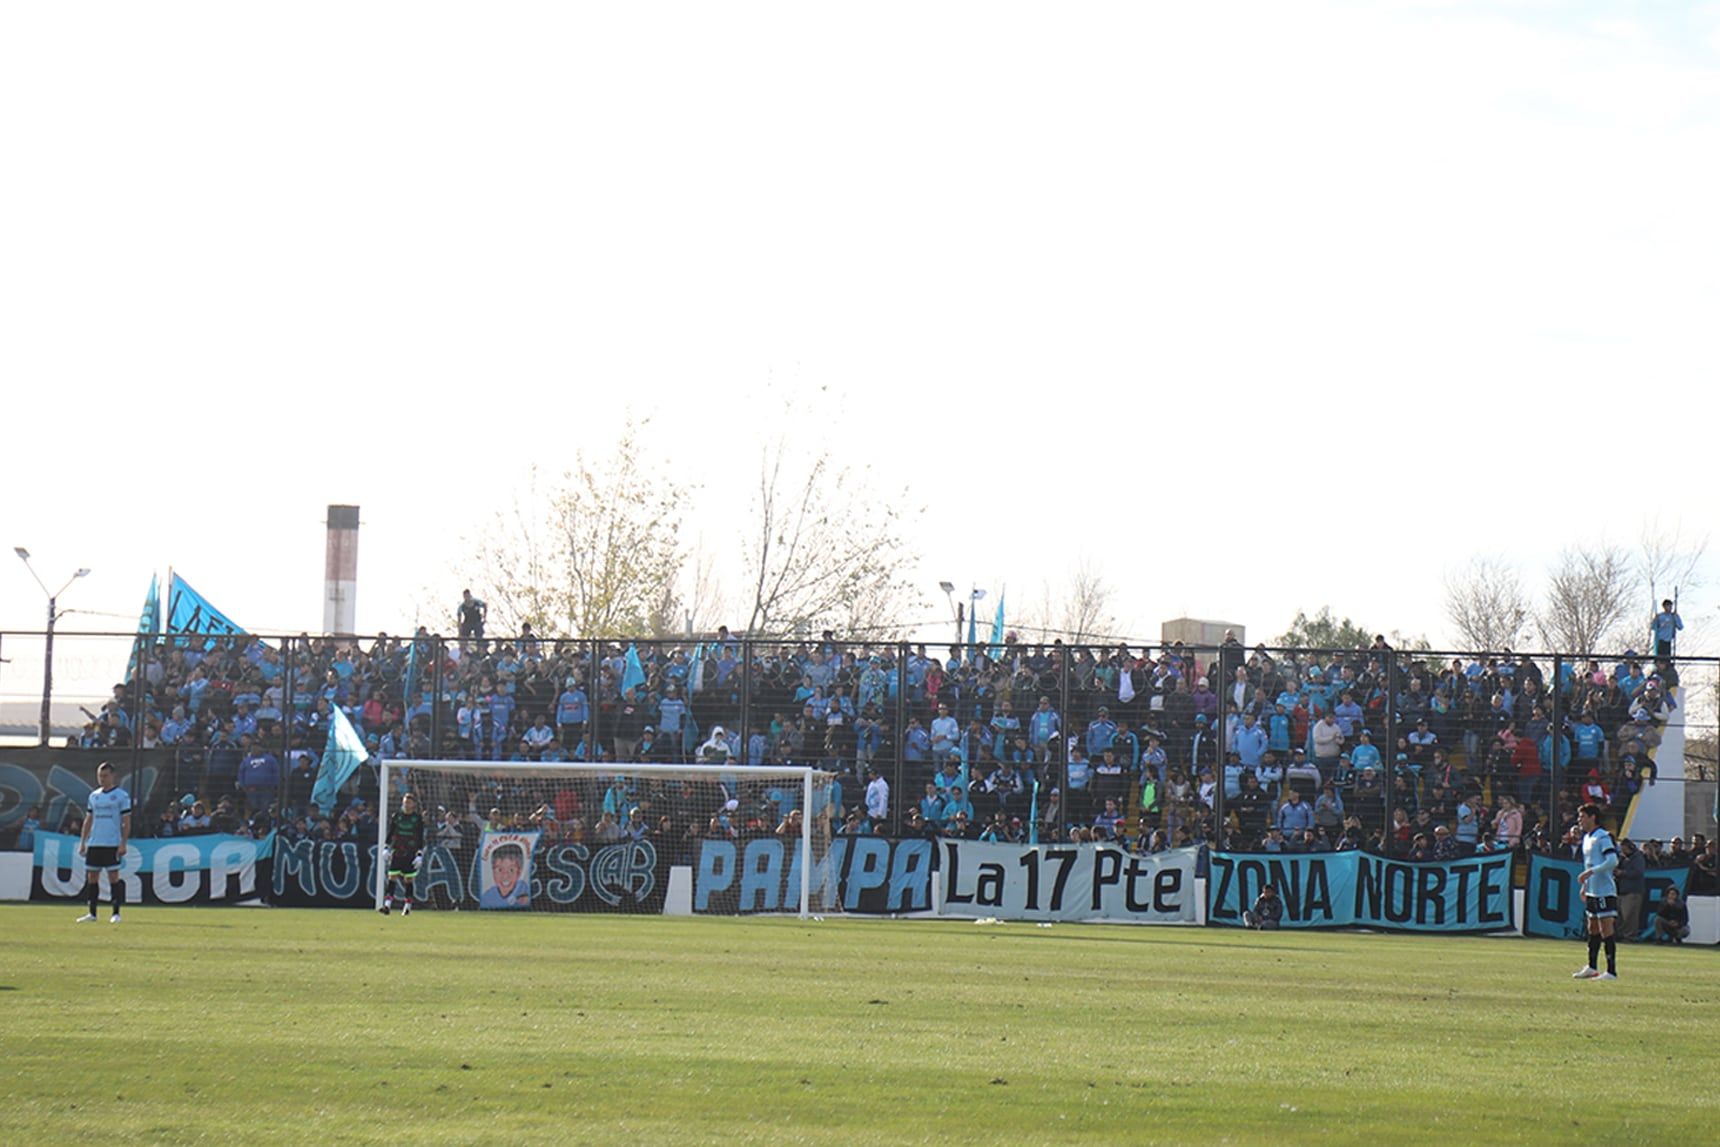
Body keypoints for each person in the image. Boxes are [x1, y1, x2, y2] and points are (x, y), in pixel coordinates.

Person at [76, 762, 131, 924]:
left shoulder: (121, 796)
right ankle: (92, 913)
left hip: (112, 843)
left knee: (113, 877)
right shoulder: (94, 796)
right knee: (92, 877)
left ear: (113, 776)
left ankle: (116, 913)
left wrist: (123, 842)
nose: (102, 779)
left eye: (105, 775)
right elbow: (88, 819)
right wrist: (83, 841)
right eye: (100, 776)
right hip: (95, 843)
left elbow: (126, 821)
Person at [1572, 803, 1621, 980]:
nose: (1580, 820)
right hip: (1592, 890)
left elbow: (1612, 861)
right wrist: (1585, 886)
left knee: (1605, 929)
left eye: (1582, 817)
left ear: (1592, 817)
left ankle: (1611, 971)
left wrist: (1591, 872)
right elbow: (1589, 863)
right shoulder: (1587, 838)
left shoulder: (1603, 836)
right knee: (1591, 927)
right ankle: (1592, 967)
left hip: (1604, 891)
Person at [381, 792, 427, 917]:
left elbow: (420, 837)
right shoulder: (396, 816)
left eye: (409, 802)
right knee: (392, 877)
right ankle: (387, 905)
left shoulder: (417, 819)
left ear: (413, 805)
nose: (406, 804)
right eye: (405, 802)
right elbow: (391, 832)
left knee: (408, 880)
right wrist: (386, 847)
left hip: (410, 852)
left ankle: (407, 906)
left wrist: (419, 854)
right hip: (398, 851)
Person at [478, 843, 531, 909]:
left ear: (519, 872)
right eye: (500, 870)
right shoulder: (487, 896)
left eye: (511, 870)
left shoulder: (524, 888)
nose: (505, 876)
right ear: (493, 872)